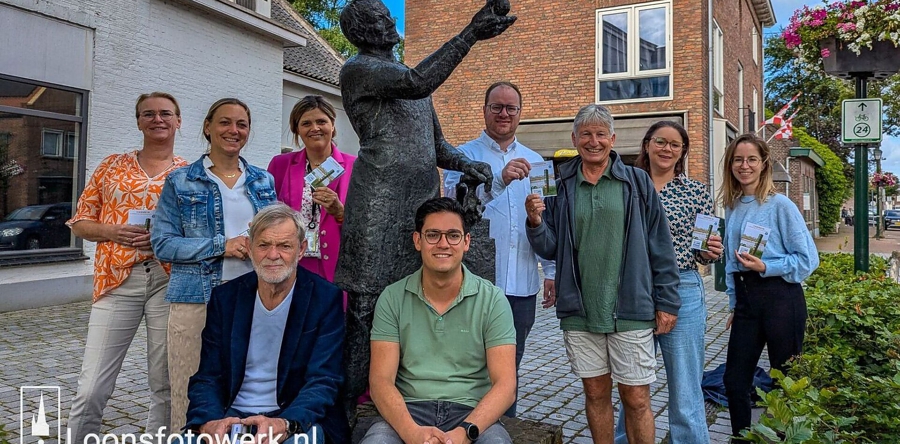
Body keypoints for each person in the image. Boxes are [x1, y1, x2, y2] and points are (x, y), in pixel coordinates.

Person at [334, 0, 514, 413]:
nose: (389, 19)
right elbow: (417, 81)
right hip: (378, 205)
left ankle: (404, 400)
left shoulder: (407, 80)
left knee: (412, 305)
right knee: (366, 309)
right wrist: (470, 34)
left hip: (418, 205)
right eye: (380, 15)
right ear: (365, 29)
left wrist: (467, 162)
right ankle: (344, 412)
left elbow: (436, 145)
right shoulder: (360, 69)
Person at [525, 104, 680, 444]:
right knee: (595, 394)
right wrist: (535, 222)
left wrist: (667, 301)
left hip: (630, 308)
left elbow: (660, 245)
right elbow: (550, 247)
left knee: (637, 398)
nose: (593, 141)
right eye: (586, 134)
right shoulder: (557, 181)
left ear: (612, 139)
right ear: (574, 139)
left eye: (600, 135)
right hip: (581, 309)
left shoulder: (636, 181)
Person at [66, 92, 188, 442]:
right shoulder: (112, 166)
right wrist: (111, 230)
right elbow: (79, 223)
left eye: (166, 113)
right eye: (148, 114)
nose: (157, 119)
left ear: (179, 121)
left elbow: (199, 230)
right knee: (91, 387)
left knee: (165, 384)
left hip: (170, 282)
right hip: (117, 281)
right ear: (138, 122)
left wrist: (165, 241)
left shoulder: (189, 173)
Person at [151, 98, 278, 432]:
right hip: (197, 299)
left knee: (246, 391)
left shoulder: (263, 181)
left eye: (241, 124)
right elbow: (163, 244)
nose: (233, 130)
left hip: (254, 301)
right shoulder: (180, 182)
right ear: (207, 127)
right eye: (225, 122)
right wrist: (222, 245)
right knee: (190, 392)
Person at [184, 204, 348, 444]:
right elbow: (208, 376)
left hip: (293, 416)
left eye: (284, 246)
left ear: (301, 249)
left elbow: (324, 380)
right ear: (250, 248)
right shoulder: (225, 298)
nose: (273, 255)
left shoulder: (324, 299)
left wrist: (286, 423)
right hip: (230, 414)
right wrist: (210, 421)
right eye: (264, 245)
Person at [361, 197, 517, 444]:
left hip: (471, 412)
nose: (443, 244)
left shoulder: (492, 300)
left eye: (453, 235)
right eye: (433, 235)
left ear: (466, 242)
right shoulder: (392, 298)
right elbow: (380, 381)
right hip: (408, 409)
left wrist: (465, 432)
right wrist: (411, 432)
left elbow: (506, 385)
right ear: (417, 241)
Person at [442, 81, 555, 417]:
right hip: (471, 284)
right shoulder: (462, 157)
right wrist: (500, 180)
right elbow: (453, 212)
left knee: (508, 372)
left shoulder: (537, 162)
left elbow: (544, 222)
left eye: (511, 108)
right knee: (466, 367)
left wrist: (550, 271)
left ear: (520, 114)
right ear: (485, 110)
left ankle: (501, 431)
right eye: (497, 107)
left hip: (522, 285)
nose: (504, 114)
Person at [613, 121, 723, 444]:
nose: (667, 149)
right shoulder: (625, 185)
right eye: (661, 141)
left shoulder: (696, 192)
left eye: (675, 145)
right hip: (632, 292)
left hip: (682, 291)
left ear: (683, 152)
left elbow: (705, 252)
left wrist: (710, 250)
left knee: (686, 389)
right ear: (647, 144)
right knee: (632, 387)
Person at [719, 134, 819, 439]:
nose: (744, 165)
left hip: (781, 299)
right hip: (748, 302)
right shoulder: (733, 206)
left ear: (764, 164)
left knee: (785, 381)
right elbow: (731, 264)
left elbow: (808, 260)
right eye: (738, 159)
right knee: (735, 381)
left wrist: (767, 267)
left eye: (751, 159)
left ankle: (787, 438)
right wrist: (736, 304)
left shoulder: (780, 206)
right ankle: (742, 437)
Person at [267, 96, 355, 290]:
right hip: (292, 263)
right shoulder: (280, 164)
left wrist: (340, 212)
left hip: (337, 264)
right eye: (306, 123)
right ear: (297, 130)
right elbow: (269, 214)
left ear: (332, 126)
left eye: (321, 121)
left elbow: (366, 223)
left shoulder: (355, 166)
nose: (315, 128)